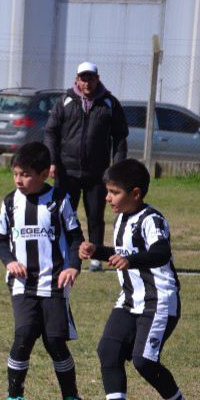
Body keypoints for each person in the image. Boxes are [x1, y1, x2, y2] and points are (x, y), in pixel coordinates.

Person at [77, 159, 196, 400]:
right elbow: (122, 253)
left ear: (136, 194)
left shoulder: (151, 219)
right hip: (130, 300)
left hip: (158, 302)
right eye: (107, 191)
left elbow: (160, 252)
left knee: (143, 360)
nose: (107, 198)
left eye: (114, 192)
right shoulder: (121, 219)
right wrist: (97, 251)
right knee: (108, 349)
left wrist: (129, 259)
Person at [0, 141, 84, 400]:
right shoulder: (10, 202)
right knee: (23, 336)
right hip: (22, 285)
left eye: (26, 174)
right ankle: (14, 397)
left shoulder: (59, 200)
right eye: (16, 174)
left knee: (55, 341)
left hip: (54, 284)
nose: (19, 180)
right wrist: (10, 261)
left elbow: (75, 237)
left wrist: (73, 266)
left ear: (45, 174)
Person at [44, 61, 128, 272]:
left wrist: (117, 169)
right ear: (77, 80)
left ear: (97, 79)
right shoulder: (64, 101)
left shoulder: (109, 103)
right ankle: (64, 251)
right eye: (83, 78)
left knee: (95, 215)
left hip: (97, 172)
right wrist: (52, 160)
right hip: (67, 171)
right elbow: (51, 132)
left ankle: (96, 257)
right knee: (64, 213)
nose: (87, 82)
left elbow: (120, 137)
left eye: (91, 78)